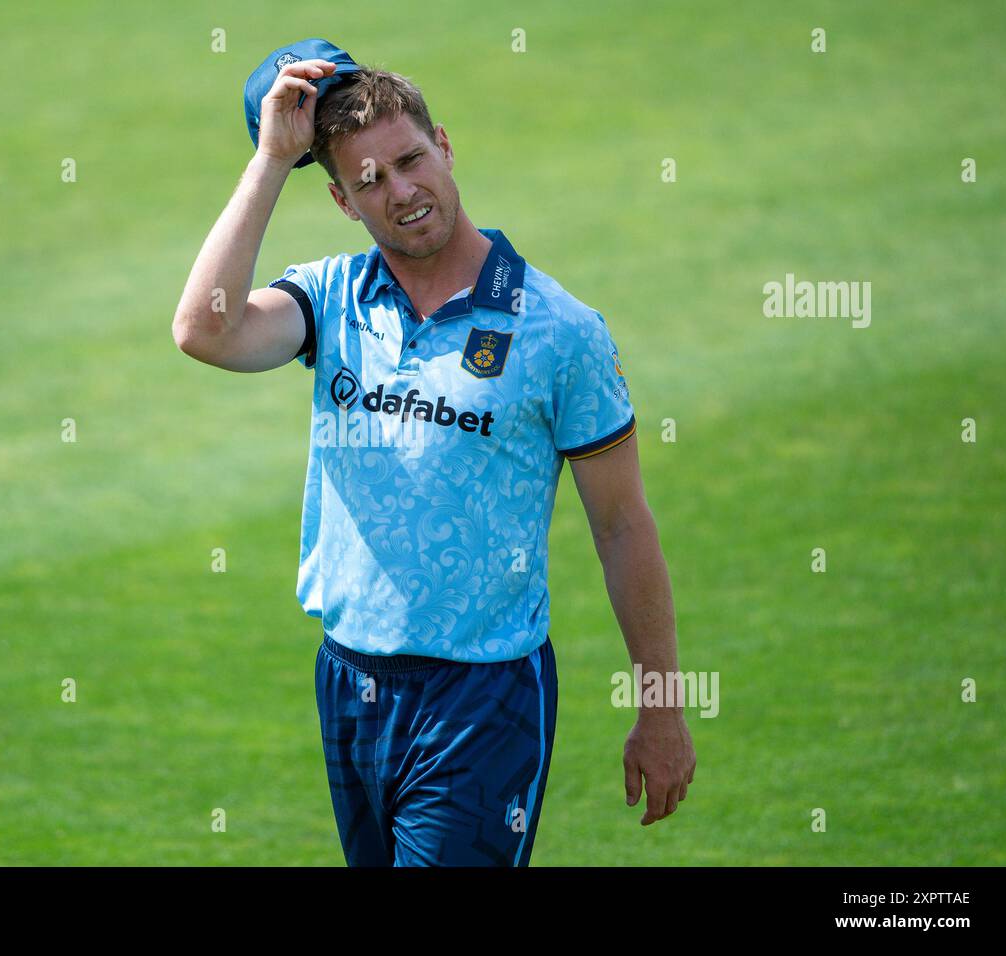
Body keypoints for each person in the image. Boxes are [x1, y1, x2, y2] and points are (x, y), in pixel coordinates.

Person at [172, 42, 696, 866]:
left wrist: (660, 708)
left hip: (481, 698)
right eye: (369, 180)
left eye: (410, 160)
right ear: (343, 201)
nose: (402, 191)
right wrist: (275, 158)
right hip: (349, 684)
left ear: (445, 147)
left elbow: (625, 528)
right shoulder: (330, 297)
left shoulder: (560, 331)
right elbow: (203, 329)